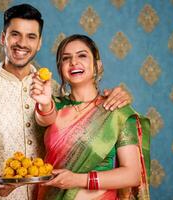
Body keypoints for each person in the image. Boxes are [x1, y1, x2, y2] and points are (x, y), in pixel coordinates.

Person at [0, 4, 132, 200]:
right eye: (15, 34)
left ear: (39, 43)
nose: (22, 43)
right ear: (3, 38)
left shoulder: (54, 90)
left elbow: (89, 109)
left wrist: (118, 96)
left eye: (31, 36)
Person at [30, 34, 150, 200]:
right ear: (60, 69)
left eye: (82, 55)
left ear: (98, 66)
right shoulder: (54, 106)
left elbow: (132, 174)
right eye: (66, 58)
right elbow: (45, 117)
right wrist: (43, 102)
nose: (73, 62)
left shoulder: (116, 111)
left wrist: (77, 180)